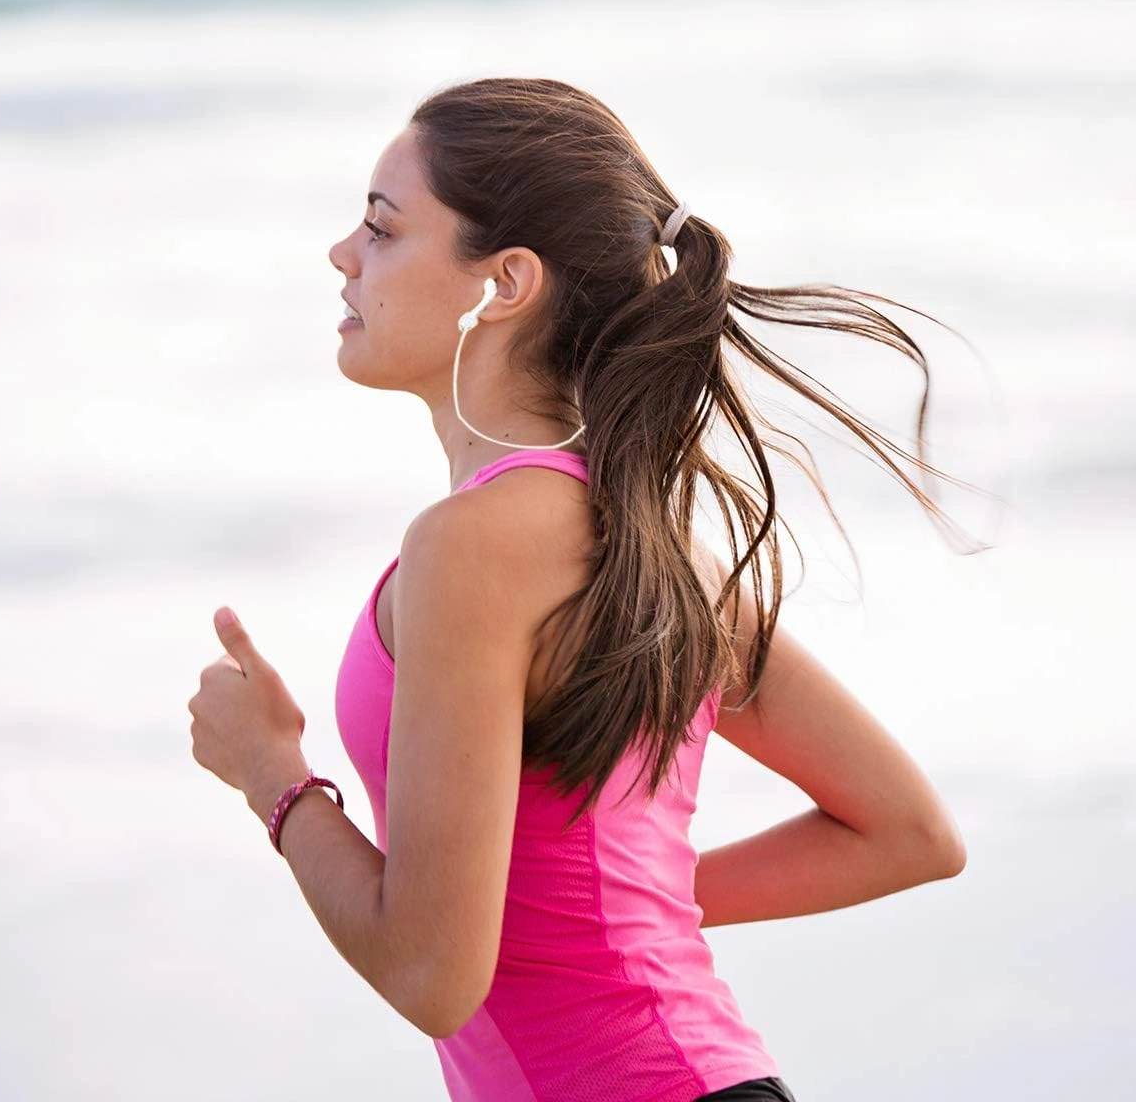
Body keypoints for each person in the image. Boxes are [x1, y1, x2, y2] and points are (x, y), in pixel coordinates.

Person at [188, 76, 972, 1102]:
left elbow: (431, 978)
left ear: (505, 282)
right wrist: (617, 917)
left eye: (381, 227)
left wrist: (273, 777)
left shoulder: (471, 548)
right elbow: (906, 833)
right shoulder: (648, 542)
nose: (343, 254)